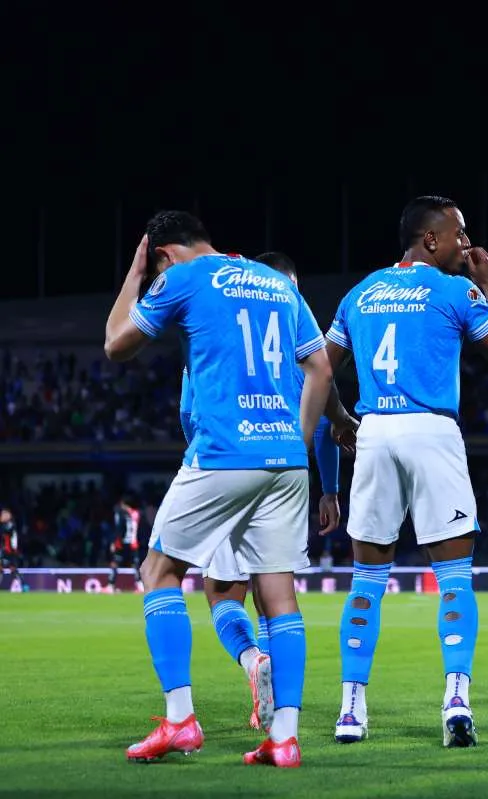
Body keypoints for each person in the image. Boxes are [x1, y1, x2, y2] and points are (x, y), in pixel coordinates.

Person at [105, 211, 332, 768]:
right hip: (285, 459)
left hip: (225, 451)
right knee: (279, 597)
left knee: (159, 570)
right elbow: (321, 368)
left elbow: (116, 344)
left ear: (164, 253)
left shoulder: (181, 276)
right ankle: (285, 737)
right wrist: (295, 447)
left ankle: (181, 720)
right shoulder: (276, 281)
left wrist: (135, 278)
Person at [324, 195, 488, 747]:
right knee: (454, 578)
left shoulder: (359, 292)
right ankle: (456, 700)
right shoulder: (456, 290)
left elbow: (317, 366)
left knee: (367, 579)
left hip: (376, 432)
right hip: (432, 431)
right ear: (430, 239)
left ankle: (351, 710)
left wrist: (340, 419)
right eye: (459, 234)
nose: (467, 243)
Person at [182, 251, 358, 732]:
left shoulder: (221, 327)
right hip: (287, 473)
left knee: (221, 593)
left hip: (226, 465)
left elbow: (188, 409)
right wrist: (328, 488)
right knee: (275, 591)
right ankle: (282, 714)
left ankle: (249, 658)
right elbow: (324, 417)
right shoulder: (302, 339)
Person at [108, 496, 143, 592]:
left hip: (123, 543)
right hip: (135, 544)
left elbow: (119, 528)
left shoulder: (121, 514)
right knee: (135, 564)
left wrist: (114, 542)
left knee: (115, 562)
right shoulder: (137, 513)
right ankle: (140, 586)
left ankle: (111, 585)